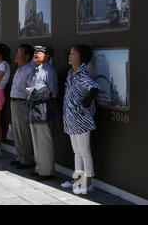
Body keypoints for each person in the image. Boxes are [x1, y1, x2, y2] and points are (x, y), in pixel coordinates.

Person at [61, 45, 99, 195]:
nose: (70, 56)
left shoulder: (82, 74)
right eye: (69, 53)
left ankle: (87, 183)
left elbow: (94, 88)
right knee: (76, 151)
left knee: (84, 151)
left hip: (81, 119)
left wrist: (86, 101)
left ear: (81, 57)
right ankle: (77, 180)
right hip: (70, 118)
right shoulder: (71, 73)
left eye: (73, 54)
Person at [26, 45, 59, 181]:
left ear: (47, 56)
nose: (35, 54)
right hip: (35, 108)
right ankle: (39, 167)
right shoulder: (36, 70)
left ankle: (47, 171)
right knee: (36, 140)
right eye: (35, 52)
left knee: (44, 141)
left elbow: (54, 93)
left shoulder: (49, 71)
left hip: (44, 109)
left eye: (38, 52)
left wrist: (34, 92)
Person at [9, 44, 36, 169]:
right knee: (17, 131)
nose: (17, 54)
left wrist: (29, 110)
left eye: (20, 53)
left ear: (27, 56)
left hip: (23, 103)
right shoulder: (20, 68)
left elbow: (32, 91)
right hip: (14, 102)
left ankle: (27, 160)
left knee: (24, 133)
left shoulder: (30, 70)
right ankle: (20, 157)